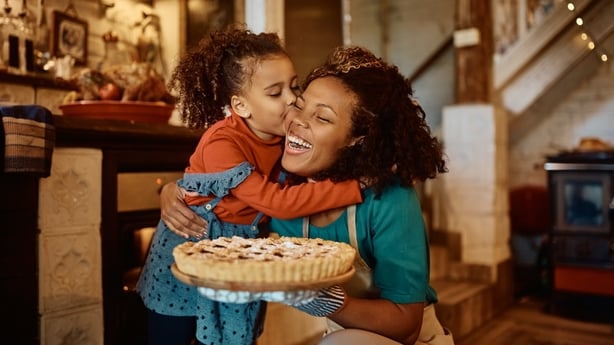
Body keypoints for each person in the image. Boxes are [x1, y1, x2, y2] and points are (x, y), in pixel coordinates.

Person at [161, 45, 453, 345]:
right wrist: (175, 191)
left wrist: (331, 303)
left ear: (357, 138)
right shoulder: (282, 186)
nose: (297, 120)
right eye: (299, 105)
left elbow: (405, 326)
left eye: (322, 118)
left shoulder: (387, 199)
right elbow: (229, 200)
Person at [137, 26, 363, 345]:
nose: (293, 100)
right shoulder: (222, 142)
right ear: (241, 106)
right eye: (275, 93)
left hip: (239, 259)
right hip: (188, 251)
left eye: (294, 87)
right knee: (171, 335)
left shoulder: (287, 138)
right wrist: (355, 187)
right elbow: (276, 202)